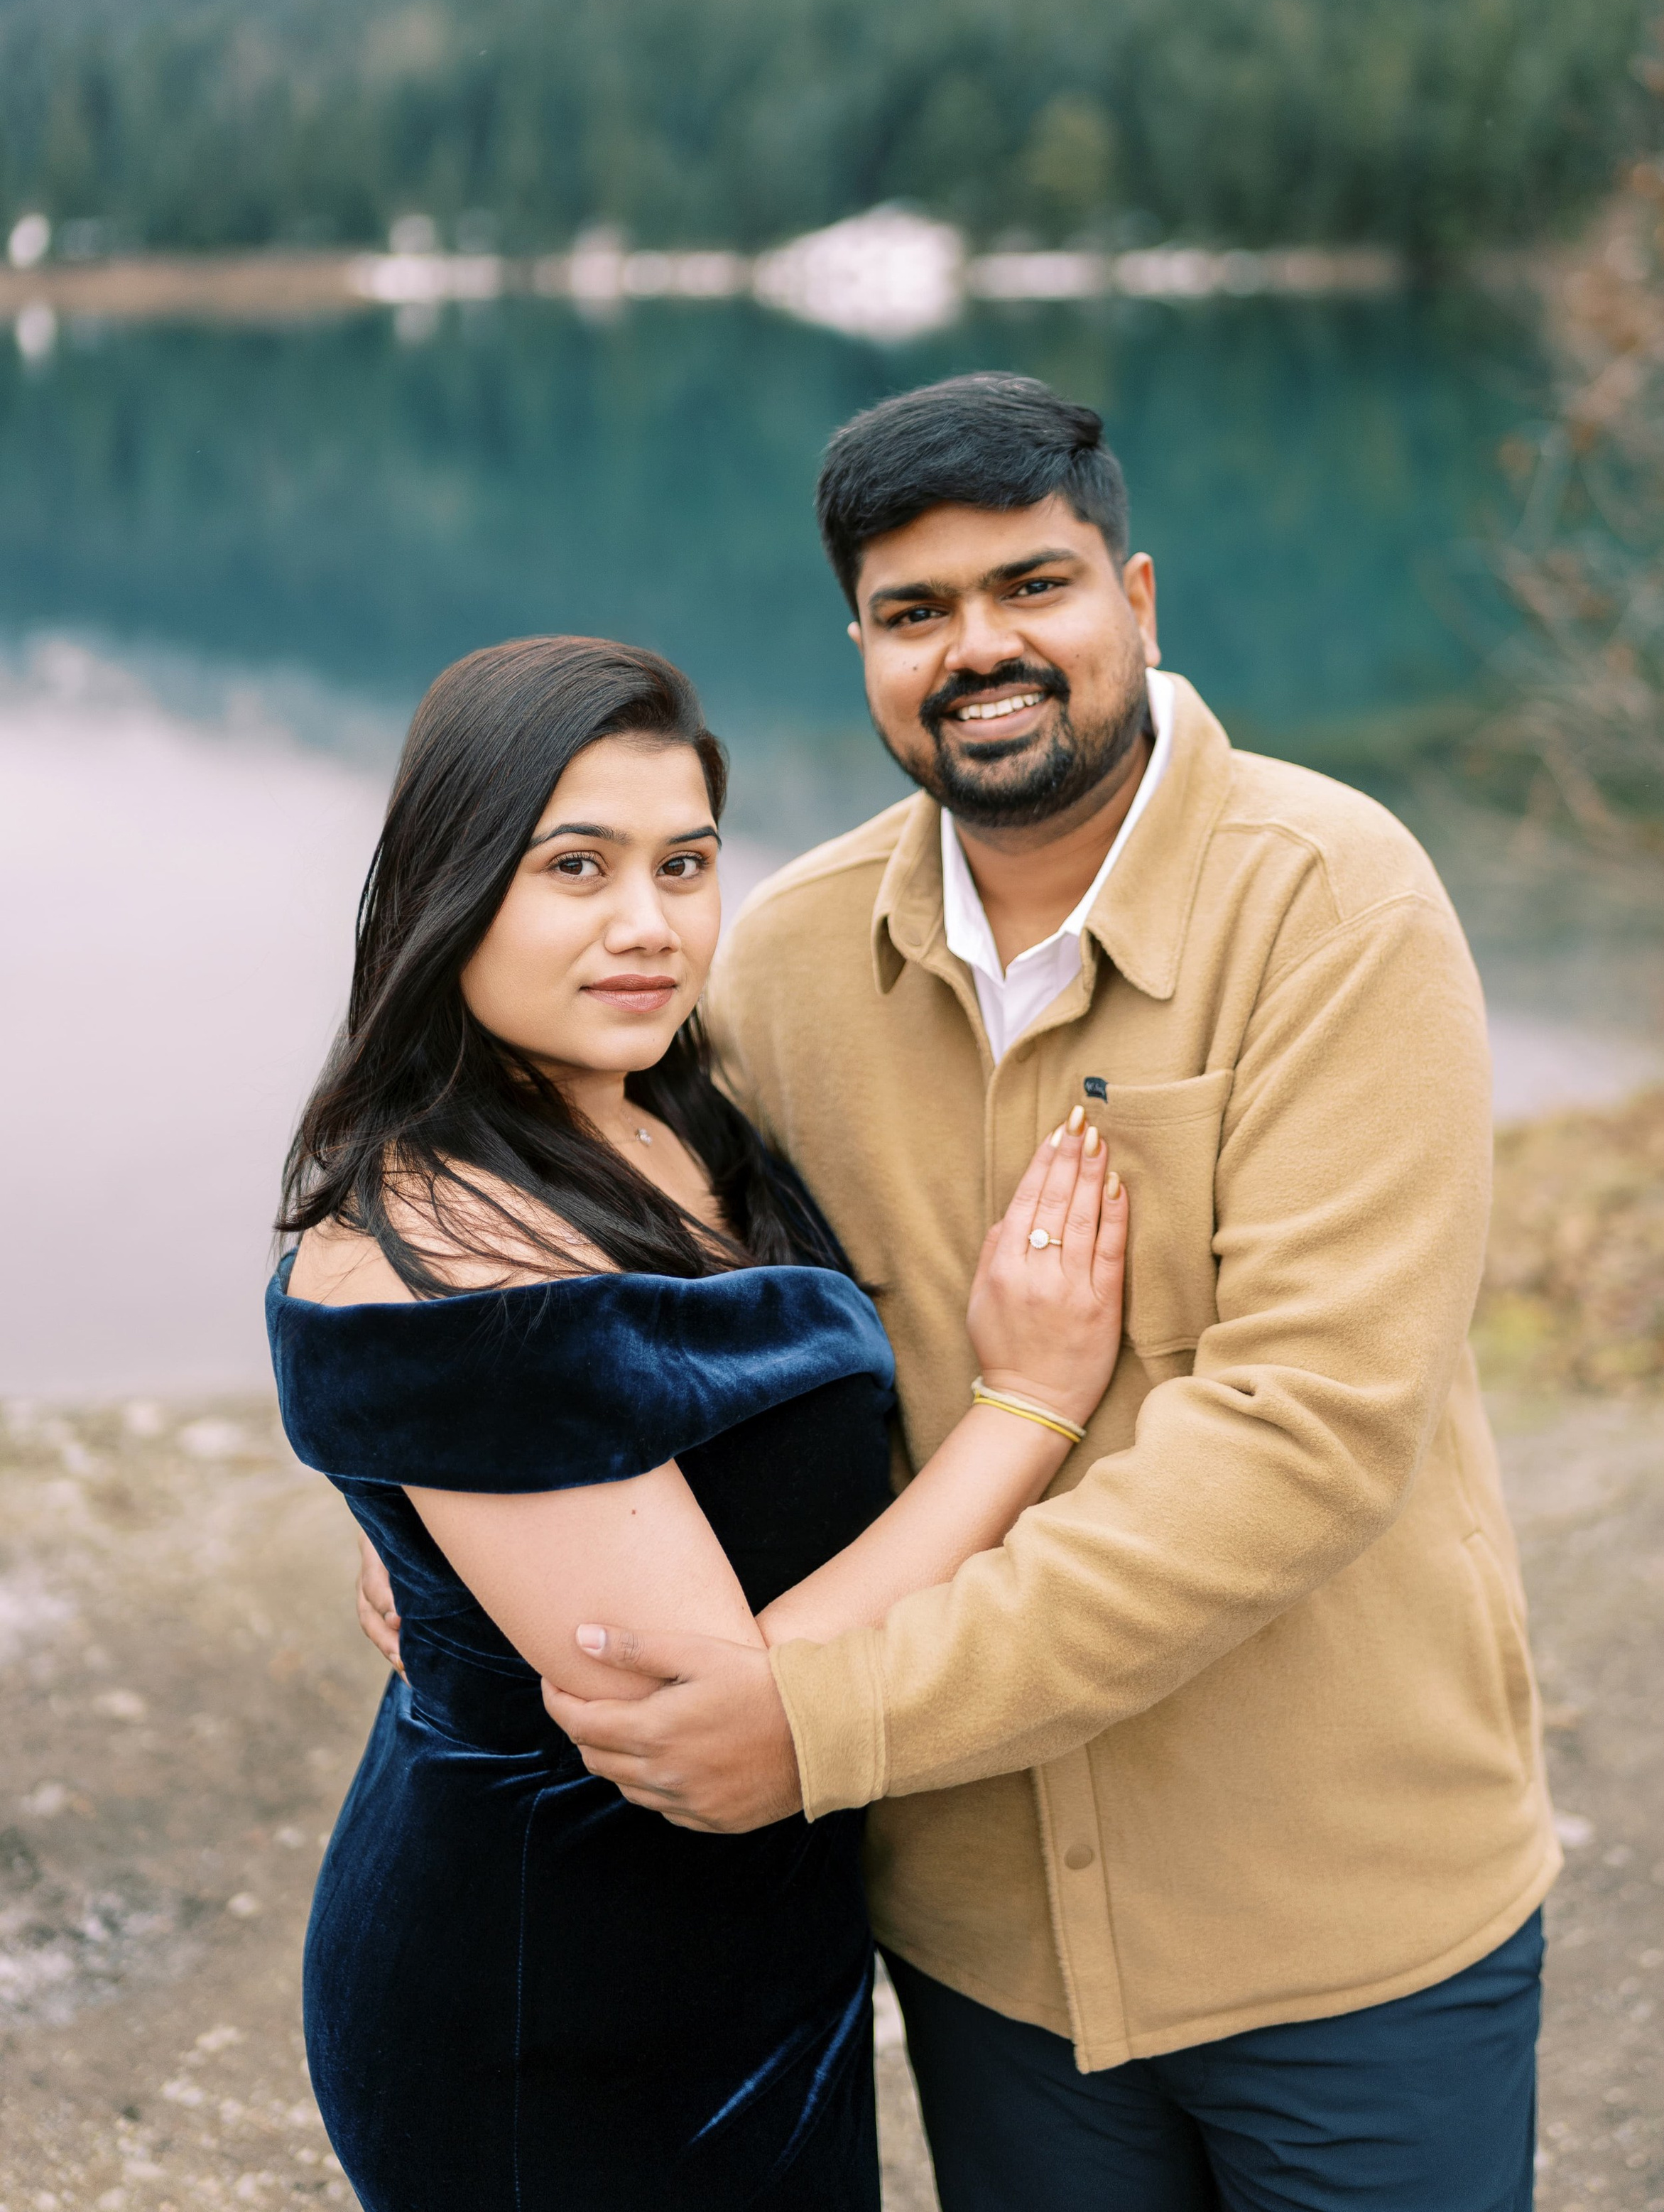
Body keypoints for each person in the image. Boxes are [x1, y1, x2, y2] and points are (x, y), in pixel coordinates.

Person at [505, 375, 1560, 2212]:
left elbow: (1300, 1444)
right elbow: (617, 1269)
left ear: (1136, 600)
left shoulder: (1335, 907)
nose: (980, 649)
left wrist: (822, 1720)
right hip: (991, 1954)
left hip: (1349, 1929)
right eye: (915, 613)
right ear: (860, 648)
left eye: (1032, 587)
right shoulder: (785, 971)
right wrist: (449, 1479)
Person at [274, 632, 1129, 2212]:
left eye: (684, 863)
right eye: (574, 867)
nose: (648, 926)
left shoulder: (657, 1104)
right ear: (449, 888)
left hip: (750, 1941)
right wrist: (1028, 1407)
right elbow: (704, 1709)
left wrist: (436, 1548)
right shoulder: (449, 1253)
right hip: (557, 1983)